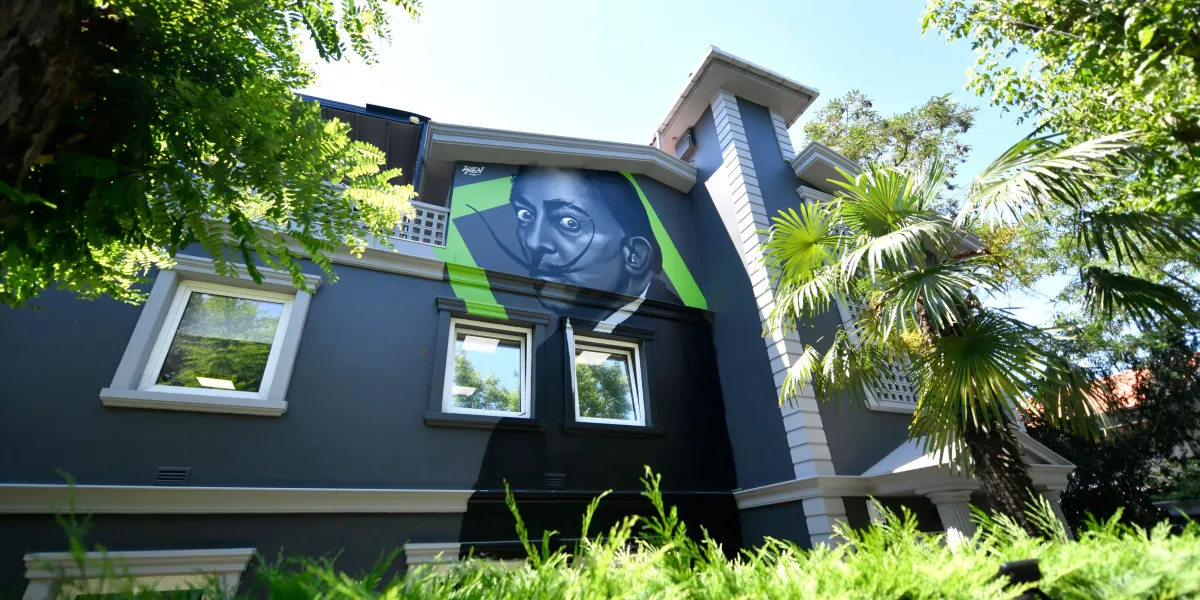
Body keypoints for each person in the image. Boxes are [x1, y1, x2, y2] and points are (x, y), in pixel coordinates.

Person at [504, 167, 677, 320]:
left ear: (635, 255)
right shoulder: (540, 345)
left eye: (570, 223)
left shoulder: (682, 342)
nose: (533, 242)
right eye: (525, 215)